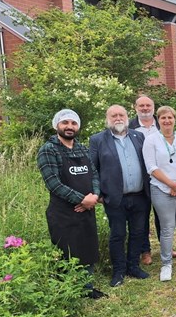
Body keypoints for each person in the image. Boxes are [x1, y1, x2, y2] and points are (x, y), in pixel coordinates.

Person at [38, 109, 105, 299]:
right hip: (63, 213)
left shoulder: (82, 148)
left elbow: (94, 175)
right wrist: (81, 199)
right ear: (56, 125)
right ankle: (69, 293)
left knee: (87, 247)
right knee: (67, 251)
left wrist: (93, 197)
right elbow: (53, 183)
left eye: (73, 123)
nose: (69, 127)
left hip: (86, 210)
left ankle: (87, 287)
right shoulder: (48, 149)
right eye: (65, 123)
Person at [89, 105, 151, 287]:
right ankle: (119, 271)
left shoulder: (138, 136)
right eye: (114, 115)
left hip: (140, 195)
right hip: (115, 197)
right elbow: (93, 169)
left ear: (127, 117)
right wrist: (97, 192)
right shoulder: (98, 140)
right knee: (117, 234)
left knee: (138, 232)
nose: (118, 118)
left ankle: (133, 266)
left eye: (121, 115)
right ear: (108, 118)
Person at [143, 106, 176, 281]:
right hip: (161, 188)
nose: (167, 121)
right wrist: (170, 184)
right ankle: (166, 264)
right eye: (163, 118)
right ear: (158, 120)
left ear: (175, 119)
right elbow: (151, 167)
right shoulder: (151, 140)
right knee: (167, 228)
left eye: (170, 117)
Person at [129, 95, 160, 265]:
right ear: (135, 108)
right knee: (142, 216)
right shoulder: (129, 127)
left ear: (153, 107)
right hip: (141, 179)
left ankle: (167, 246)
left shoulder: (162, 123)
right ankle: (145, 251)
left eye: (148, 105)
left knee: (163, 214)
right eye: (141, 106)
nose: (145, 108)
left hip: (162, 177)